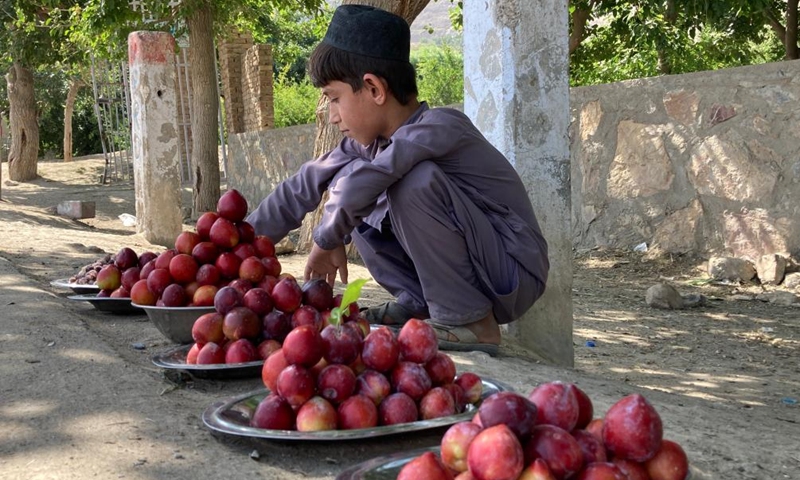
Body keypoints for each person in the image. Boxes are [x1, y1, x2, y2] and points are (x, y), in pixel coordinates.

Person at [246, 5, 549, 355]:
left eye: (334, 98)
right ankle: (420, 303)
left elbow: (380, 174)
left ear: (374, 88)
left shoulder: (442, 127)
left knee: (403, 182)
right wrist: (243, 247)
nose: (331, 116)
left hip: (512, 270)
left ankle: (472, 324)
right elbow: (303, 184)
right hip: (480, 269)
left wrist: (328, 237)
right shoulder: (368, 146)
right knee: (353, 184)